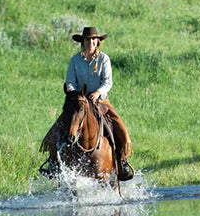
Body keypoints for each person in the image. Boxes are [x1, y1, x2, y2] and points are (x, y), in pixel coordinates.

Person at [41, 26, 133, 180]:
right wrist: (75, 94)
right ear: (82, 42)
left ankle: (122, 162)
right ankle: (54, 163)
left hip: (100, 101)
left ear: (97, 42)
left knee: (120, 128)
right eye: (87, 40)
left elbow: (107, 82)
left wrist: (97, 93)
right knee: (54, 132)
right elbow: (69, 81)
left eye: (93, 40)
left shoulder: (104, 59)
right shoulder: (75, 60)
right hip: (79, 101)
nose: (90, 42)